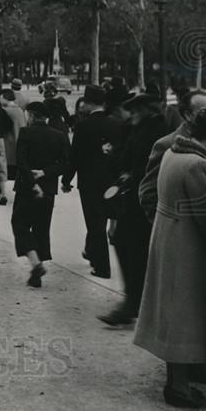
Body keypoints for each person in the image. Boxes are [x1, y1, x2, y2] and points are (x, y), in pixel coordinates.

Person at [133, 110, 206, 408]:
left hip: (168, 236)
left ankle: (181, 380)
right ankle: (178, 388)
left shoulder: (173, 153)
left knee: (172, 310)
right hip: (185, 244)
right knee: (183, 314)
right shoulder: (196, 164)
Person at [100, 89, 171, 325]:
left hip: (141, 202)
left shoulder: (149, 132)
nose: (131, 114)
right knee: (131, 246)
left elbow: (136, 163)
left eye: (134, 110)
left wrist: (115, 160)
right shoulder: (148, 129)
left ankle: (134, 302)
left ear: (144, 111)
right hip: (140, 199)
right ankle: (136, 300)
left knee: (132, 247)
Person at [63, 85, 122, 279]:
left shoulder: (83, 125)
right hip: (112, 180)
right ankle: (90, 251)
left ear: (88, 103)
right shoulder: (116, 124)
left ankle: (102, 267)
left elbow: (75, 156)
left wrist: (66, 179)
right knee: (104, 218)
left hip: (89, 182)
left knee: (95, 223)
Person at [11, 101, 71, 287]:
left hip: (26, 187)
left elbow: (21, 162)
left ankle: (35, 262)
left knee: (19, 223)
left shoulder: (26, 133)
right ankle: (37, 272)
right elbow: (66, 163)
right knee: (41, 227)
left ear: (33, 115)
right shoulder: (60, 136)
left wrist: (32, 182)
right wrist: (45, 173)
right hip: (49, 188)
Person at [139, 90, 206, 224]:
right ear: (188, 115)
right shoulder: (166, 144)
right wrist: (170, 225)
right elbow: (147, 193)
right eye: (205, 112)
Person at [0, 89, 26, 182]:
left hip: (8, 142)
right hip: (19, 140)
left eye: (1, 97)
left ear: (5, 98)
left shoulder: (6, 111)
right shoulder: (19, 110)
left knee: (3, 169)